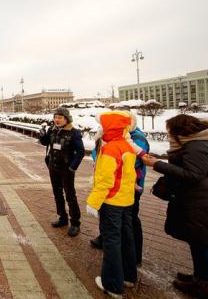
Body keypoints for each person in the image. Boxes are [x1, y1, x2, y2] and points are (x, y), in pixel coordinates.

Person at [142, 114, 208, 299]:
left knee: (201, 242)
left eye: (170, 130)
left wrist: (157, 164)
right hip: (200, 196)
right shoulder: (200, 142)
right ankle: (203, 277)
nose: (168, 134)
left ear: (180, 130)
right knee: (201, 240)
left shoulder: (195, 146)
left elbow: (193, 174)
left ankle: (202, 284)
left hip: (199, 198)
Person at [86, 110, 138, 298]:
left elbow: (105, 180)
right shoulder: (126, 146)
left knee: (111, 241)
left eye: (102, 126)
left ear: (110, 128)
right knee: (126, 237)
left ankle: (113, 284)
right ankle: (129, 276)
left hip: (112, 201)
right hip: (126, 199)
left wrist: (93, 202)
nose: (99, 130)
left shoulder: (110, 149)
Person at [90, 115, 150, 268]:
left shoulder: (131, 140)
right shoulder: (117, 141)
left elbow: (133, 160)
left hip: (121, 190)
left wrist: (93, 202)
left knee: (126, 227)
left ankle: (120, 271)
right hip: (121, 190)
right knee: (120, 228)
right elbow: (95, 153)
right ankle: (129, 269)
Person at [38, 107, 85, 237]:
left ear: (66, 119)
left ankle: (75, 222)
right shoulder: (52, 130)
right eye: (55, 117)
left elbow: (80, 152)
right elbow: (45, 142)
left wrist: (72, 168)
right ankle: (62, 218)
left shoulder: (74, 133)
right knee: (57, 193)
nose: (56, 120)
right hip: (53, 167)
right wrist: (42, 134)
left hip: (66, 170)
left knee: (70, 195)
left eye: (59, 117)